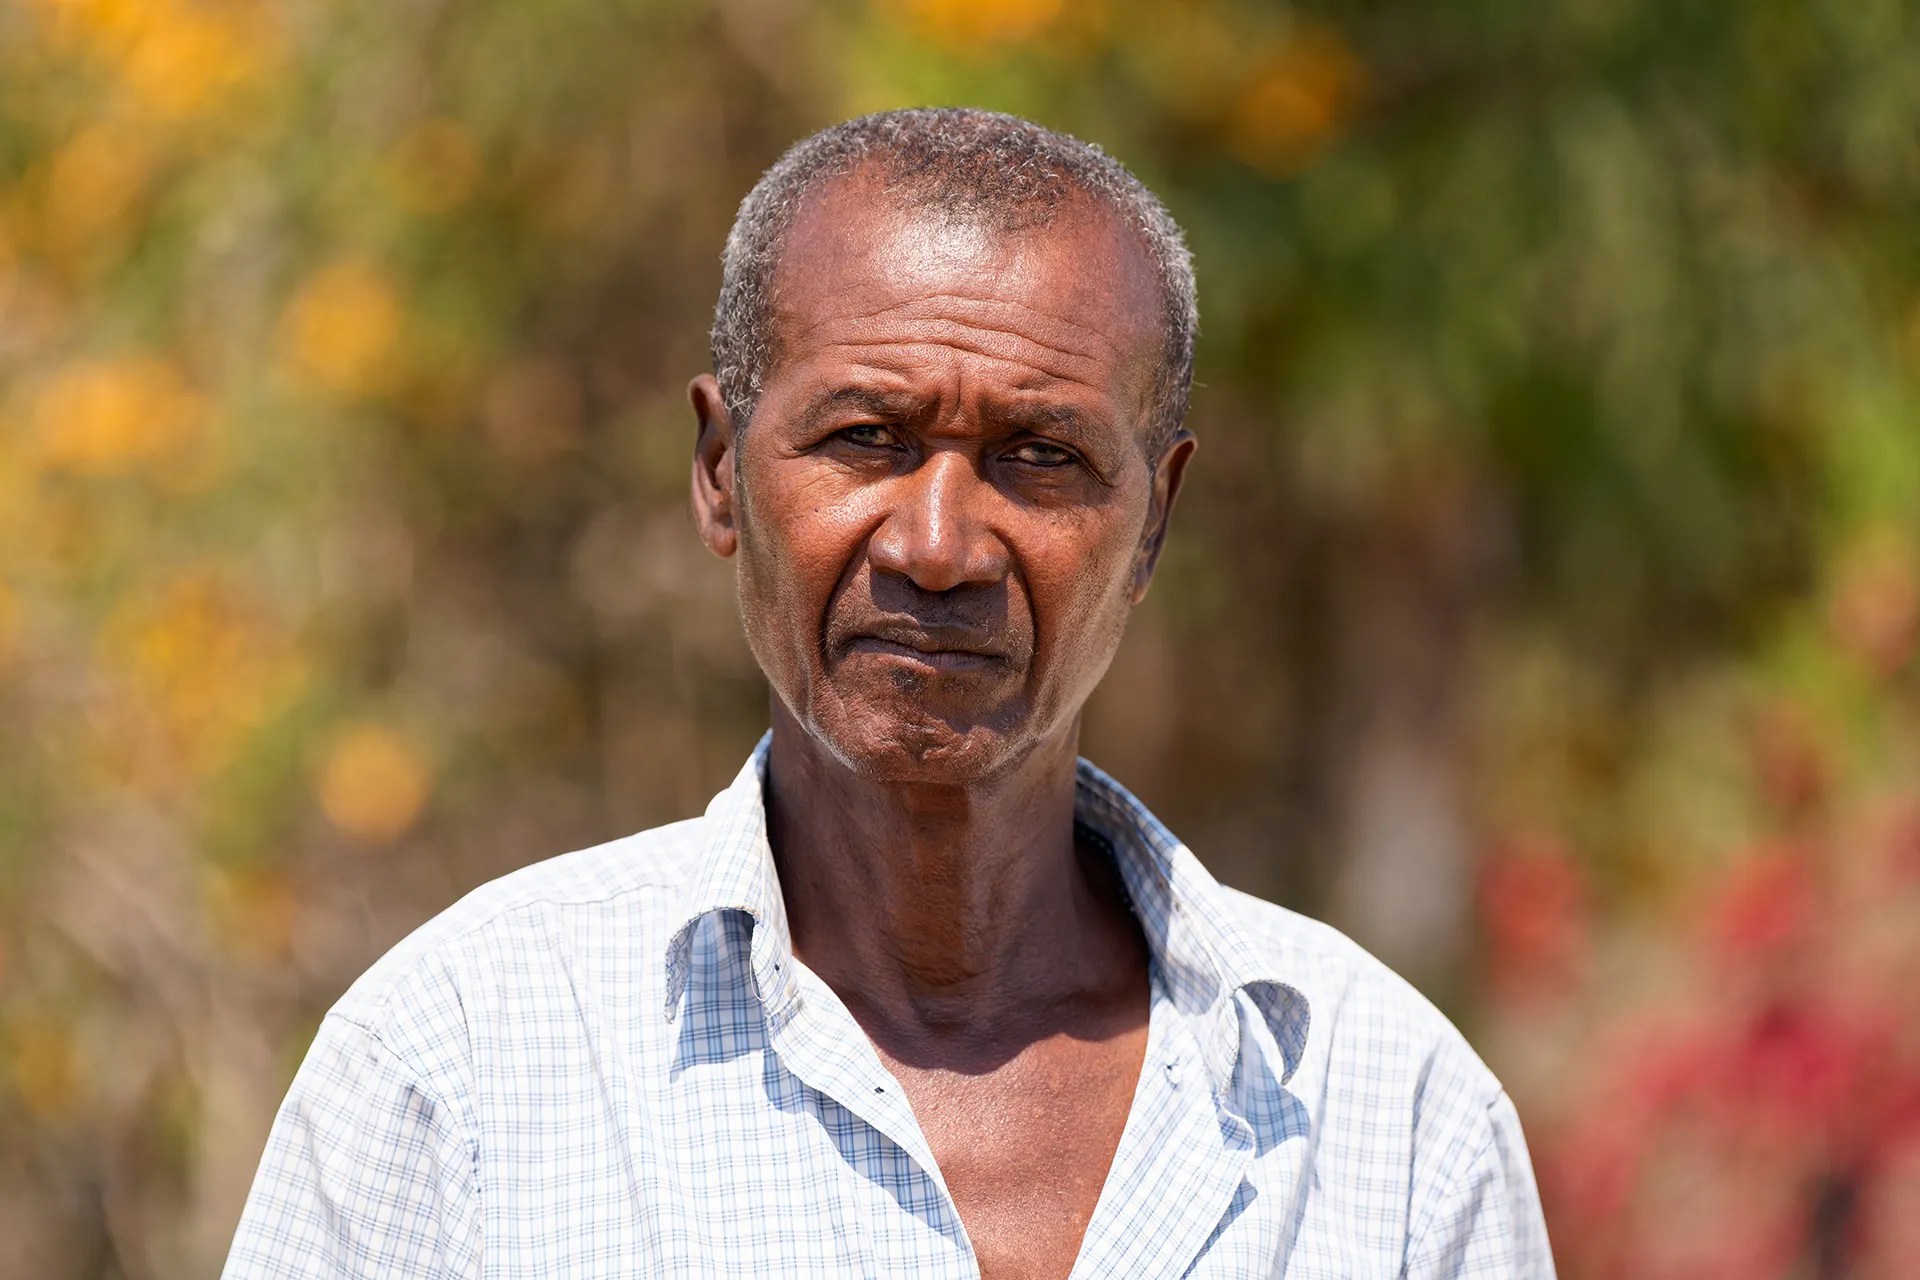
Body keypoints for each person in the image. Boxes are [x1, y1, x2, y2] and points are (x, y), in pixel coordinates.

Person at [224, 108, 1554, 1279]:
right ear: (719, 471)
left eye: (1042, 456)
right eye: (867, 438)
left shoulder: (1387, 1112)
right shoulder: (462, 1068)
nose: (938, 544)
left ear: (1153, 524)